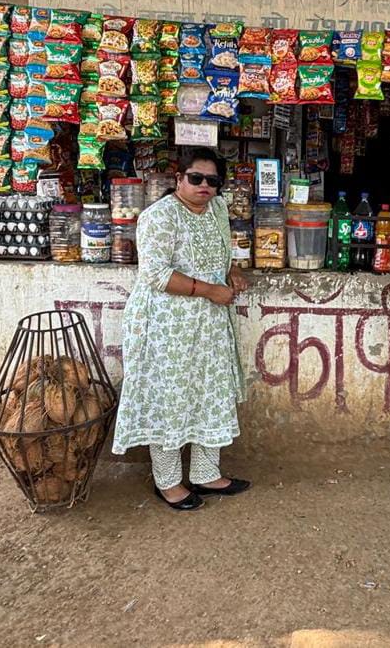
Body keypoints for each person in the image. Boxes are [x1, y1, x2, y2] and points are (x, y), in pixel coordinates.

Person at [112, 148, 252, 511]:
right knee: (170, 398)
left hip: (208, 323)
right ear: (179, 179)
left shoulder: (217, 209)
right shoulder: (159, 216)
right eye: (196, 178)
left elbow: (221, 251)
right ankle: (169, 481)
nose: (205, 186)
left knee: (210, 393)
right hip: (165, 325)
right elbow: (156, 274)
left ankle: (206, 473)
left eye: (213, 181)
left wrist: (231, 270)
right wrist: (210, 290)